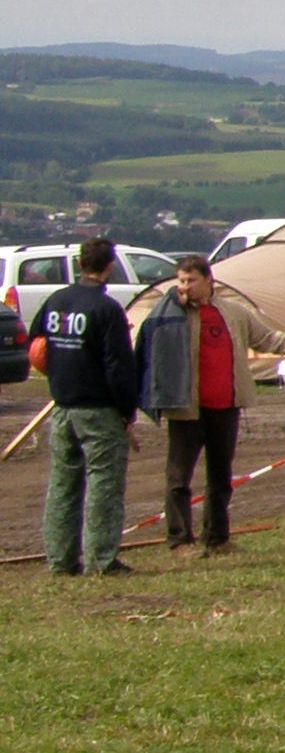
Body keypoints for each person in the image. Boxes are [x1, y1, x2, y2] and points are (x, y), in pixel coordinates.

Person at [136, 254, 285, 555]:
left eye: (191, 280)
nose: (185, 286)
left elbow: (266, 338)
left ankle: (217, 537)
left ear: (208, 280)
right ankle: (179, 540)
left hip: (225, 406)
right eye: (181, 281)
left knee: (220, 477)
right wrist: (171, 299)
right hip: (186, 408)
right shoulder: (172, 313)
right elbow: (149, 336)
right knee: (178, 478)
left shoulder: (233, 313)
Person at [34, 239, 139, 575]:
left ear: (80, 264)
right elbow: (118, 368)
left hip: (62, 407)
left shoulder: (56, 300)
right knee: (103, 486)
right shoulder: (106, 310)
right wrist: (127, 411)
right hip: (98, 411)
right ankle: (101, 560)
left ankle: (60, 560)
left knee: (62, 486)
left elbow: (38, 345)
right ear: (109, 267)